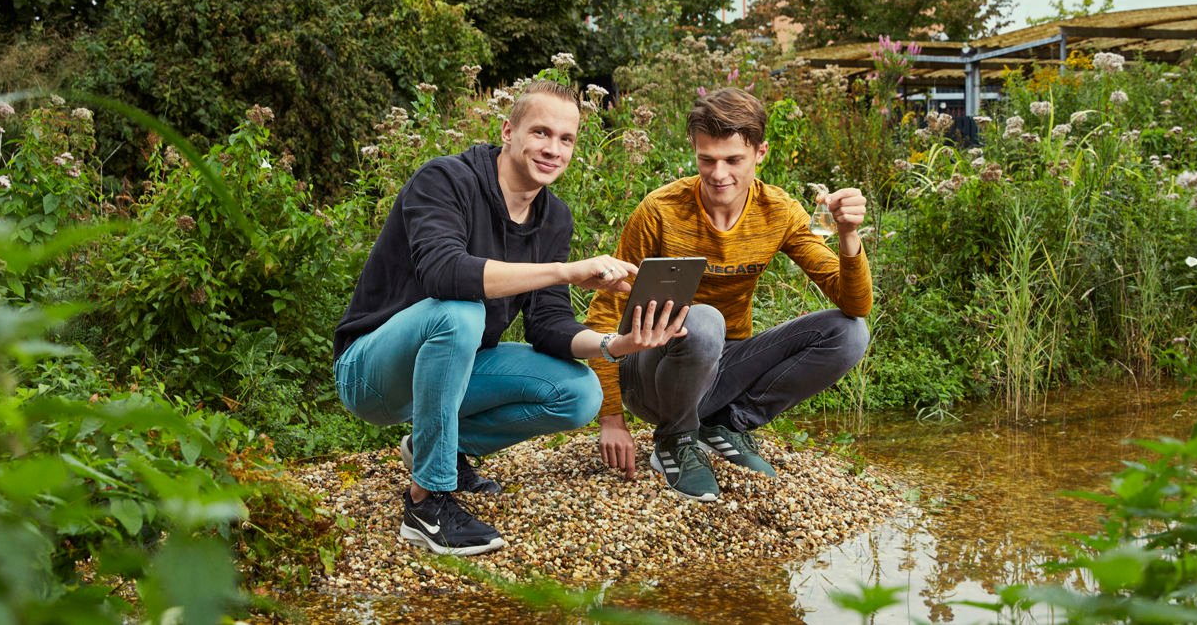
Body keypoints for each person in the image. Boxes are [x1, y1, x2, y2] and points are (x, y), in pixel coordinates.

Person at [334, 80, 688, 555]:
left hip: (453, 373)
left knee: (579, 393)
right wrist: (563, 270)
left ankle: (435, 452)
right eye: (541, 133)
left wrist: (612, 345)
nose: (553, 149)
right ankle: (428, 501)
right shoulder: (445, 180)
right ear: (508, 130)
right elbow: (443, 273)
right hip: (373, 373)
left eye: (566, 139)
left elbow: (549, 324)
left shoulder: (553, 217)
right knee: (460, 313)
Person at [586, 87, 872, 501]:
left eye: (733, 160)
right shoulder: (660, 210)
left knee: (850, 333)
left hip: (722, 366)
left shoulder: (780, 211)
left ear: (760, 152)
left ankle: (724, 424)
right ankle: (674, 440)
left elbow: (855, 304)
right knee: (703, 320)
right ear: (694, 151)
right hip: (648, 369)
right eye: (707, 160)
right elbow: (605, 312)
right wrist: (611, 417)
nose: (719, 174)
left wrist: (848, 236)